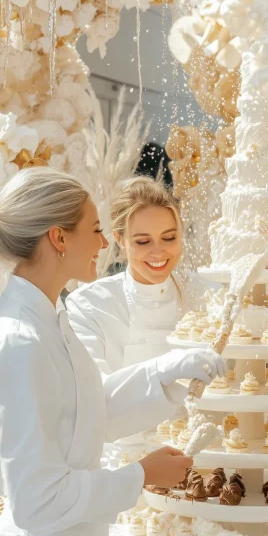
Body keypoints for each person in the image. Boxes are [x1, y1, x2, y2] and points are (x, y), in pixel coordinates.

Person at [0, 167, 224, 536]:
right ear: (58, 238)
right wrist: (140, 476)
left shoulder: (50, 317)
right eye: (97, 229)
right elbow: (37, 500)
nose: (105, 245)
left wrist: (167, 371)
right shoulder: (19, 342)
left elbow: (85, 412)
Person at [66, 176, 200, 453]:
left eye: (169, 237)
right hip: (122, 461)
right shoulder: (89, 304)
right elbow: (95, 399)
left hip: (198, 453)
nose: (158, 251)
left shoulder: (203, 296)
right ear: (120, 239)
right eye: (142, 241)